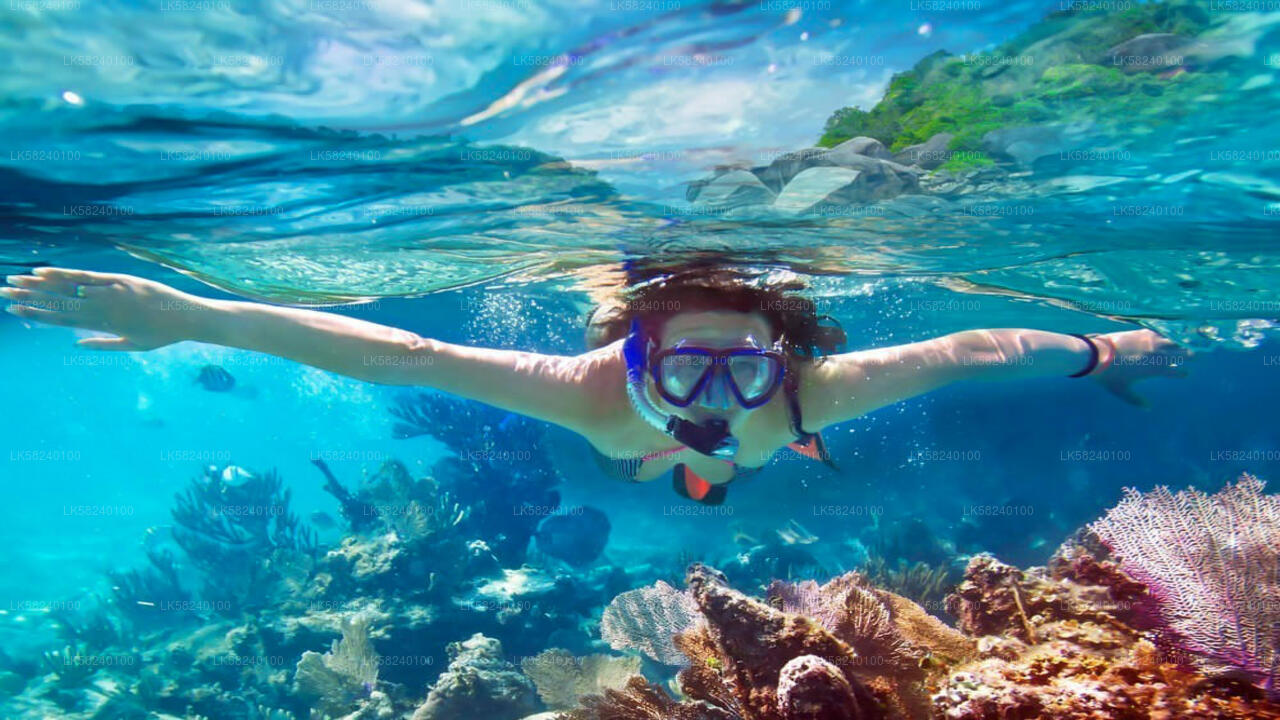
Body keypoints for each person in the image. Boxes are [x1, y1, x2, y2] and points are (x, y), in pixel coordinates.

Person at [1, 266, 1188, 504]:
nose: (716, 383)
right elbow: (387, 352)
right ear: (633, 352)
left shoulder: (804, 395)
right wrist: (191, 316)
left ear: (783, 356)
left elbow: (967, 351)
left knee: (724, 464)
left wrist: (1102, 354)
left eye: (743, 360)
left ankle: (710, 484)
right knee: (694, 467)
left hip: (764, 449)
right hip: (649, 452)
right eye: (684, 357)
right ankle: (699, 483)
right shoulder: (586, 396)